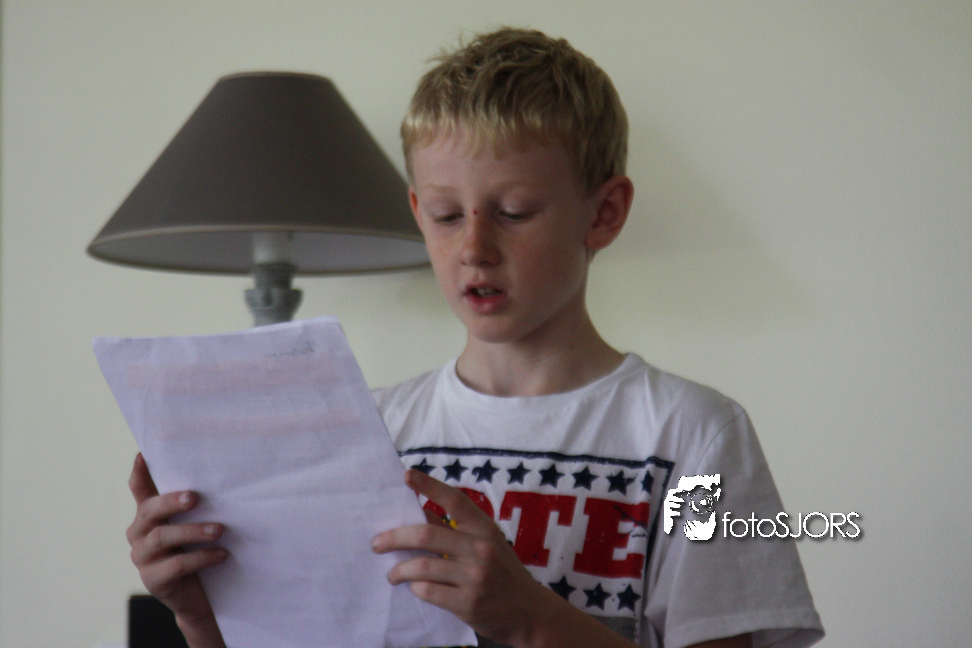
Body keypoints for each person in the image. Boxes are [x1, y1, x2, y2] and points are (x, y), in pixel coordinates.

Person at [127, 27, 824, 648]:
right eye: (445, 215)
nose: (474, 249)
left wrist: (532, 619)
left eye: (514, 212)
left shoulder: (694, 435)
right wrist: (201, 620)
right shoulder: (370, 431)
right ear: (417, 213)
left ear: (604, 213)